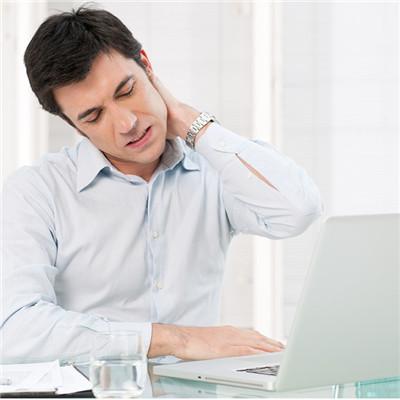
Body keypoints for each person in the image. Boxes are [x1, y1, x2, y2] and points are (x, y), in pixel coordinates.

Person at [1, 5, 324, 364]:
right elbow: (13, 330)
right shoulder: (36, 192)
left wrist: (190, 122)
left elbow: (298, 210)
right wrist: (173, 340)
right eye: (94, 116)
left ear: (146, 65)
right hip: (97, 389)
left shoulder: (212, 164)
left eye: (127, 91)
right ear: (74, 125)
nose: (127, 124)